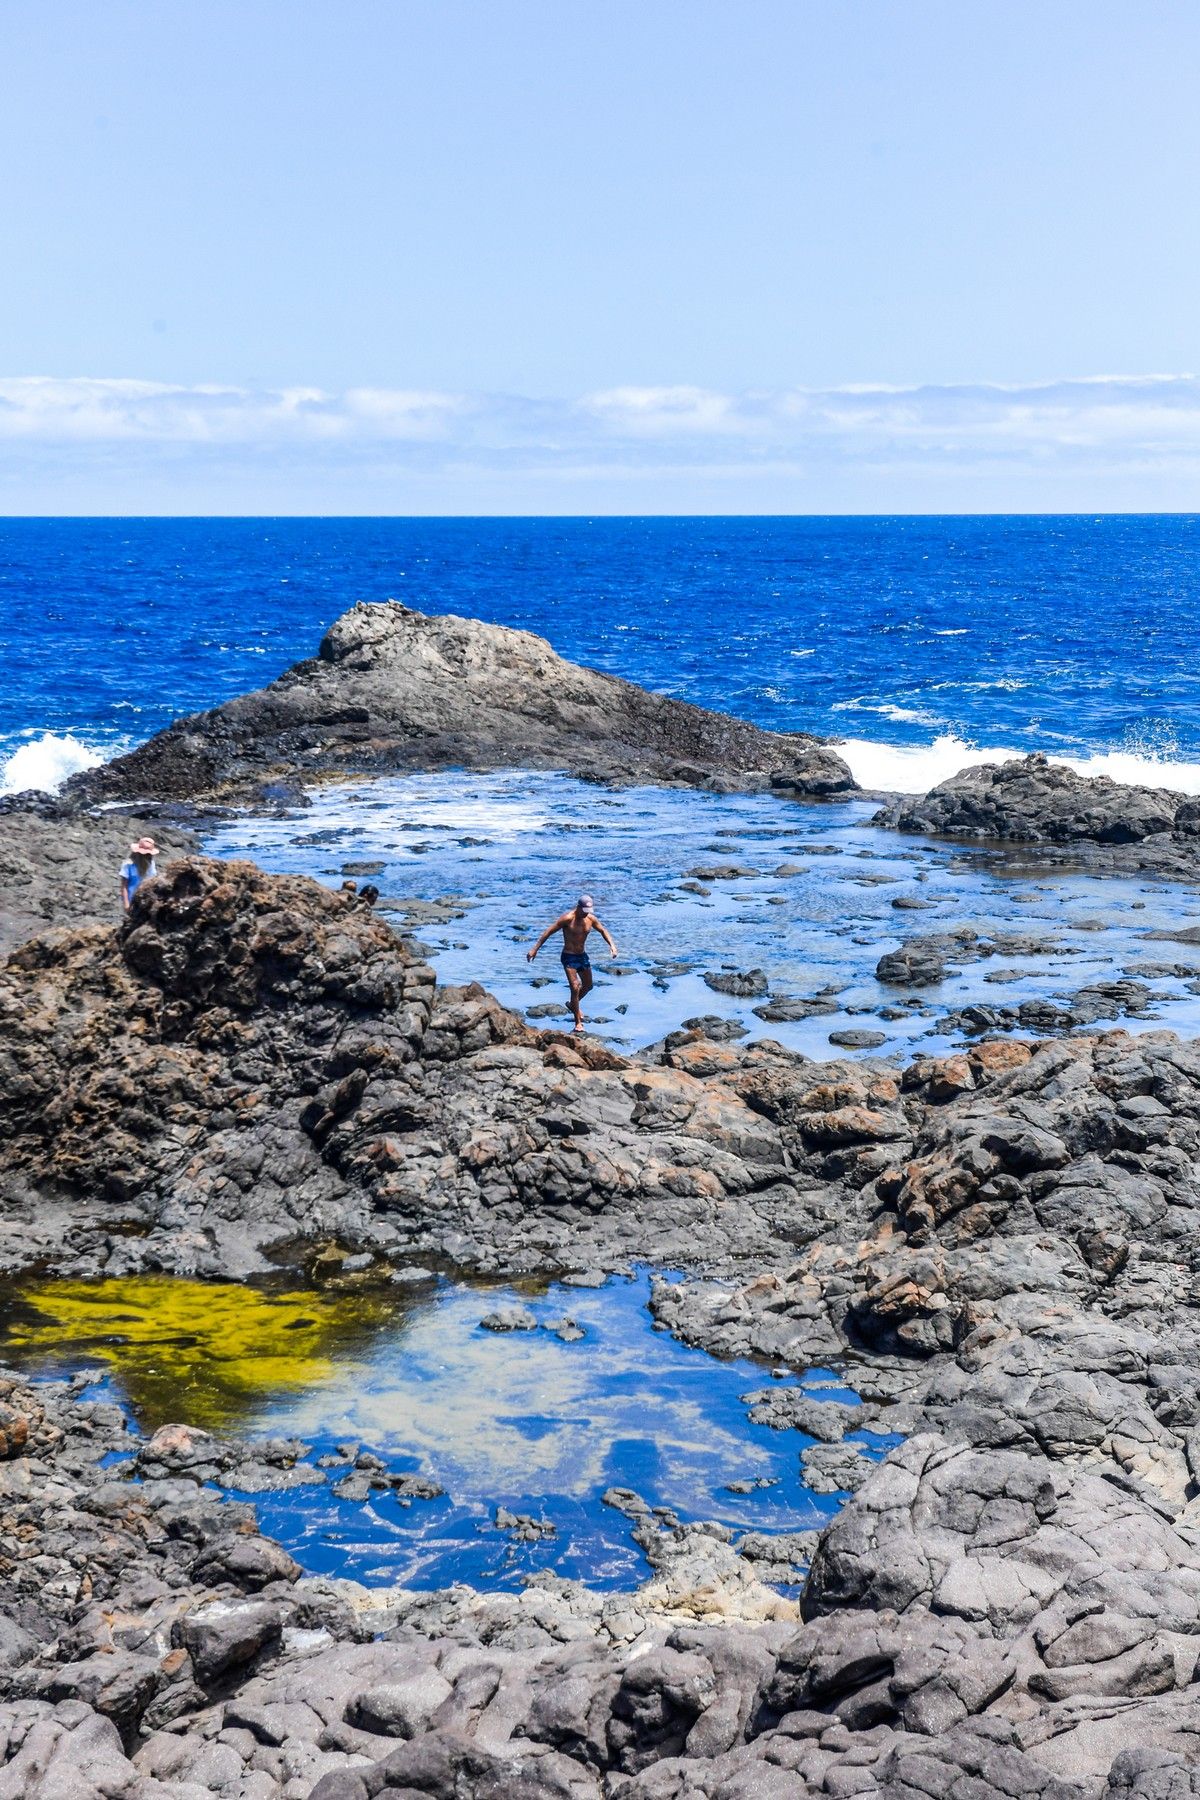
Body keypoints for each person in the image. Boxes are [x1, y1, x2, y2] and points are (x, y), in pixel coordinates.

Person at [526, 893, 617, 1033]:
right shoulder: (568, 918)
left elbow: (603, 930)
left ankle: (572, 1004)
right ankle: (578, 1022)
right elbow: (548, 932)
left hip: (582, 956)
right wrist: (534, 949)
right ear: (578, 907)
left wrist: (612, 946)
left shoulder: (590, 919)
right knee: (575, 987)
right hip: (569, 956)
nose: (586, 914)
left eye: (588, 911)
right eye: (584, 911)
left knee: (588, 986)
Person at [120, 837, 158, 912]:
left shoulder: (151, 863)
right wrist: (126, 904)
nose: (148, 856)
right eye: (146, 854)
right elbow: (124, 886)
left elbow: (153, 881)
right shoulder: (128, 865)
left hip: (147, 899)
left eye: (149, 854)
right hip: (132, 900)